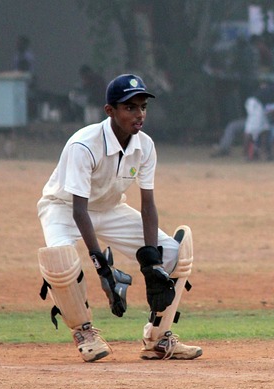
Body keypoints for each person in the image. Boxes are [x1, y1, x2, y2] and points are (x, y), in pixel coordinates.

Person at [36, 74, 202, 363]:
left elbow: (147, 204)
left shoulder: (145, 145)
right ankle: (84, 332)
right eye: (130, 108)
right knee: (60, 261)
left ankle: (158, 338)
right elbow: (79, 210)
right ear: (109, 111)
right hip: (63, 209)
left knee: (175, 253)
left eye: (142, 107)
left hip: (111, 208)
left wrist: (151, 262)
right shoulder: (83, 145)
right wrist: (102, 267)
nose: (138, 115)